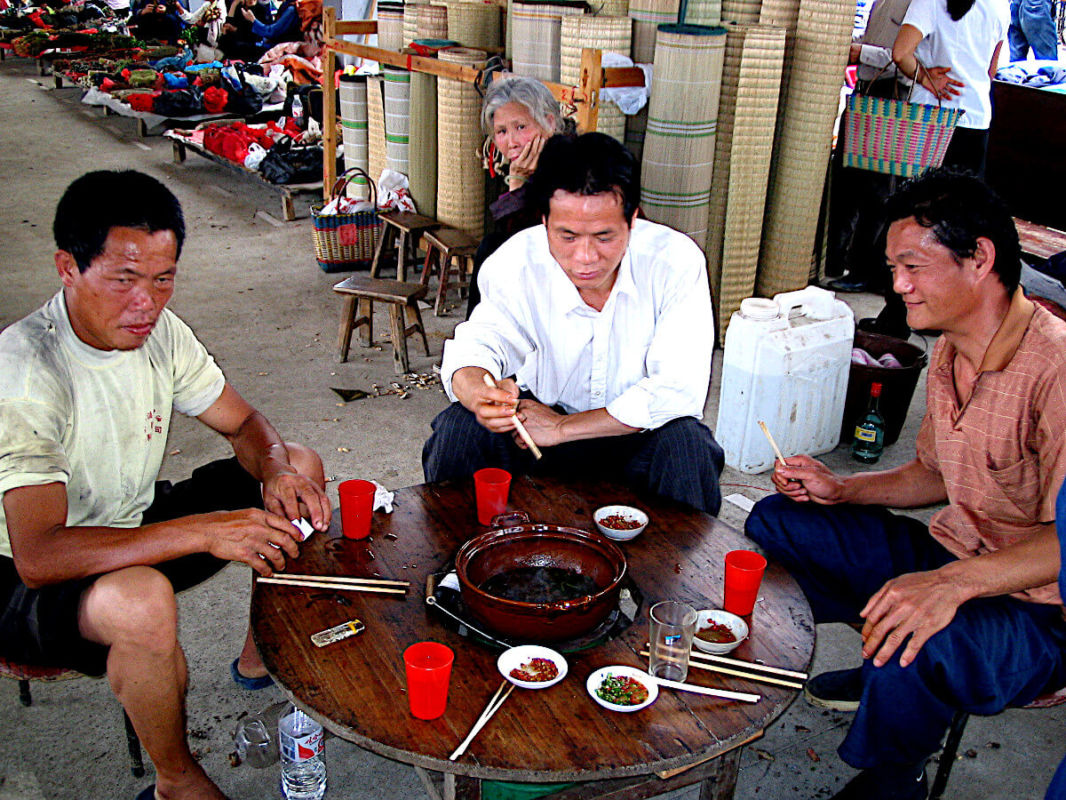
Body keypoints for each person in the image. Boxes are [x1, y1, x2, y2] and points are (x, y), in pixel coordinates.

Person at [0, 170, 332, 800]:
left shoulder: (160, 333)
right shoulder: (26, 372)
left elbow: (245, 425)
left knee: (301, 467)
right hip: (21, 578)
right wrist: (205, 531)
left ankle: (261, 650)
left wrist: (280, 468)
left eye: (162, 278)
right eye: (124, 279)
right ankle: (176, 780)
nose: (146, 304)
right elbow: (40, 556)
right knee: (142, 600)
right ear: (67, 267)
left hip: (135, 522)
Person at [745, 167, 1066, 800]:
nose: (897, 286)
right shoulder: (950, 346)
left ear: (980, 259)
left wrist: (947, 587)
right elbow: (933, 474)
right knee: (778, 523)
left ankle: (897, 772)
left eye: (913, 267)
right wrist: (842, 489)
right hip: (956, 554)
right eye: (893, 268)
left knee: (929, 631)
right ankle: (891, 668)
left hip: (1040, 610)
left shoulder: (1056, 368)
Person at [424, 132, 725, 516]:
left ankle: (678, 574)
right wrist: (478, 393)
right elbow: (480, 343)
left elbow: (677, 390)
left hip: (634, 437)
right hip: (533, 432)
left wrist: (564, 428)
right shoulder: (516, 262)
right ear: (545, 220)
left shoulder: (675, 263)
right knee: (460, 428)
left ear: (632, 220)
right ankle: (456, 566)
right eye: (566, 236)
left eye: (604, 236)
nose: (585, 257)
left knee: (687, 446)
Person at [857, 0, 1008, 338]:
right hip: (976, 121)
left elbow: (901, 52)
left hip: (934, 121)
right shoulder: (999, 5)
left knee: (916, 222)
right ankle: (945, 316)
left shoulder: (931, 1)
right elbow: (992, 69)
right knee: (957, 226)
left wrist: (925, 77)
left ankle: (897, 317)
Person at [824, 0, 912, 293]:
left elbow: (906, 57)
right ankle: (835, 260)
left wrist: (860, 52)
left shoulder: (919, 4)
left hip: (889, 96)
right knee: (846, 180)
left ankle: (862, 269)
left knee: (874, 190)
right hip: (866, 93)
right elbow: (876, 41)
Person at [467, 75, 572, 317]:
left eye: (521, 127)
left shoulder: (570, 164)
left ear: (549, 122)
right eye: (501, 131)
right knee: (490, 248)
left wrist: (518, 185)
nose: (511, 142)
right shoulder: (531, 167)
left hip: (573, 277)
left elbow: (529, 246)